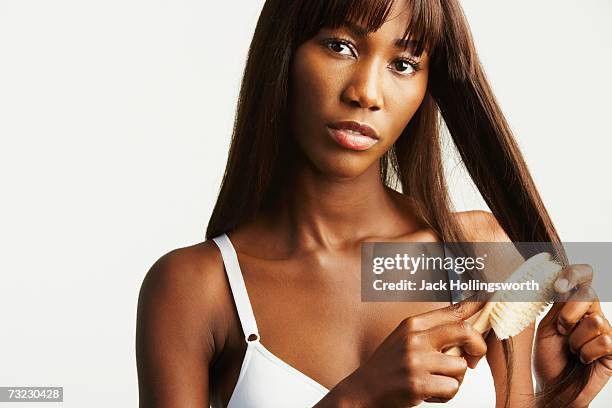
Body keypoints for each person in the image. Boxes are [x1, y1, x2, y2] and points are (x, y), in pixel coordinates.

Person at [135, 0, 611, 406]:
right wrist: (359, 396)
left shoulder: (479, 252)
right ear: (283, 52)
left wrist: (557, 397)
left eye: (403, 63)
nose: (366, 92)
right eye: (340, 46)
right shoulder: (194, 289)